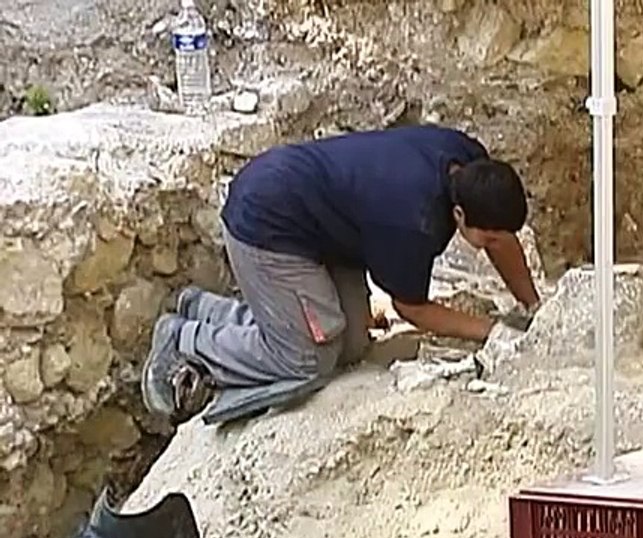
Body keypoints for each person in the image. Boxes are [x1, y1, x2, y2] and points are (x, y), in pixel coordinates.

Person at [140, 124, 542, 421]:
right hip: (268, 226)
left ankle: (209, 311)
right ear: (458, 215)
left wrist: (532, 306)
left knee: (350, 346)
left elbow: (502, 238)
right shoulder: (413, 220)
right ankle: (184, 339)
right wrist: (494, 332)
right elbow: (414, 309)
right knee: (307, 359)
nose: (493, 245)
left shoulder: (470, 164)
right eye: (485, 239)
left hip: (324, 225)